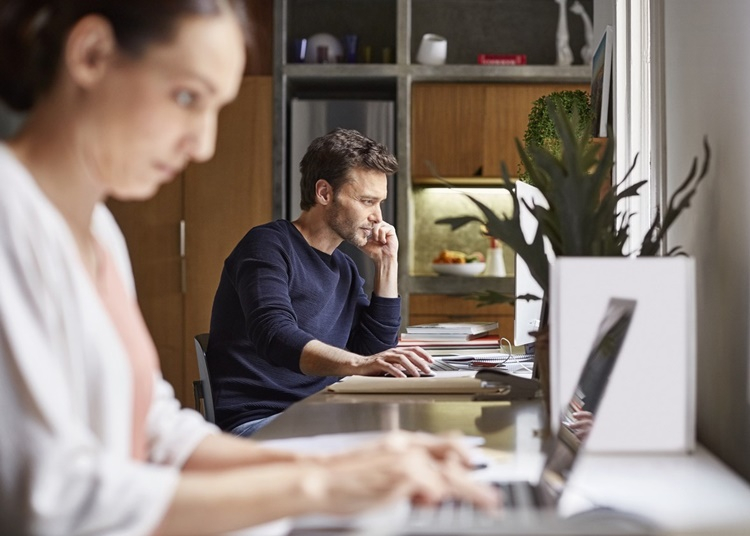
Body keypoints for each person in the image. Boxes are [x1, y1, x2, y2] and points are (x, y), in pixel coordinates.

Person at [0, 1, 499, 534]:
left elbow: (158, 431)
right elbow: (50, 498)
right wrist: (319, 485)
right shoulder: (11, 220)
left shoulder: (97, 232)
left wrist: (343, 465)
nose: (204, 143)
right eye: (187, 96)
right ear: (92, 55)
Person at [207, 128, 434, 436]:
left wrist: (386, 263)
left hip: (324, 414)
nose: (377, 217)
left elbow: (374, 353)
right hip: (259, 421)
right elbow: (274, 334)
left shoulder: (345, 268)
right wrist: (360, 364)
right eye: (367, 201)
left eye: (379, 203)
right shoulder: (267, 245)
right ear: (324, 193)